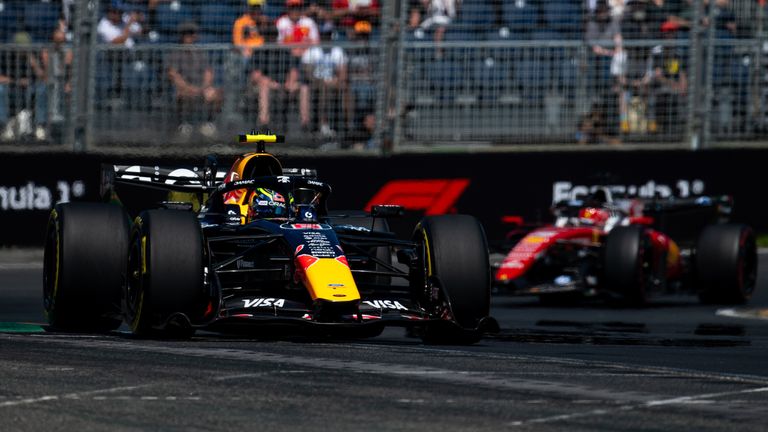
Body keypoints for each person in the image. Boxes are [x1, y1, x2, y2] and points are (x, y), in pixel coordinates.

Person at [166, 21, 223, 138]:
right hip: (183, 87)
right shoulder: (175, 53)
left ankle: (208, 123)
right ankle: (184, 123)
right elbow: (173, 75)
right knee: (182, 94)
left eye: (191, 33)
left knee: (215, 94)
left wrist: (204, 87)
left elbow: (208, 72)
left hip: (200, 86)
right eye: (186, 34)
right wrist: (189, 88)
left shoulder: (201, 52)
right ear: (181, 36)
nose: (189, 36)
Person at [269, 0, 319, 131]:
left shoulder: (308, 22)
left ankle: (305, 124)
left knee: (308, 61)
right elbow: (278, 44)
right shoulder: (282, 22)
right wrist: (293, 50)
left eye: (297, 7)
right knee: (288, 60)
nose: (295, 11)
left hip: (306, 60)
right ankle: (290, 83)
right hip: (286, 60)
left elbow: (316, 43)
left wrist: (301, 50)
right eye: (292, 7)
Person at [302, 26, 350, 139]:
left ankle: (346, 126)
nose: (325, 37)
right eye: (323, 35)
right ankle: (323, 125)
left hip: (334, 82)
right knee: (323, 88)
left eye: (328, 35)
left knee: (345, 88)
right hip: (316, 82)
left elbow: (343, 73)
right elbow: (308, 72)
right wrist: (320, 81)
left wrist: (337, 80)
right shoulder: (312, 50)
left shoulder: (337, 51)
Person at [0, 32, 48, 142]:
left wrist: (33, 62)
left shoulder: (34, 54)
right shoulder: (5, 55)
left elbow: (43, 77)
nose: (22, 50)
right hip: (11, 87)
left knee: (42, 88)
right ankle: (3, 126)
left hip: (31, 87)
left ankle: (40, 126)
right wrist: (16, 81)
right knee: (0, 89)